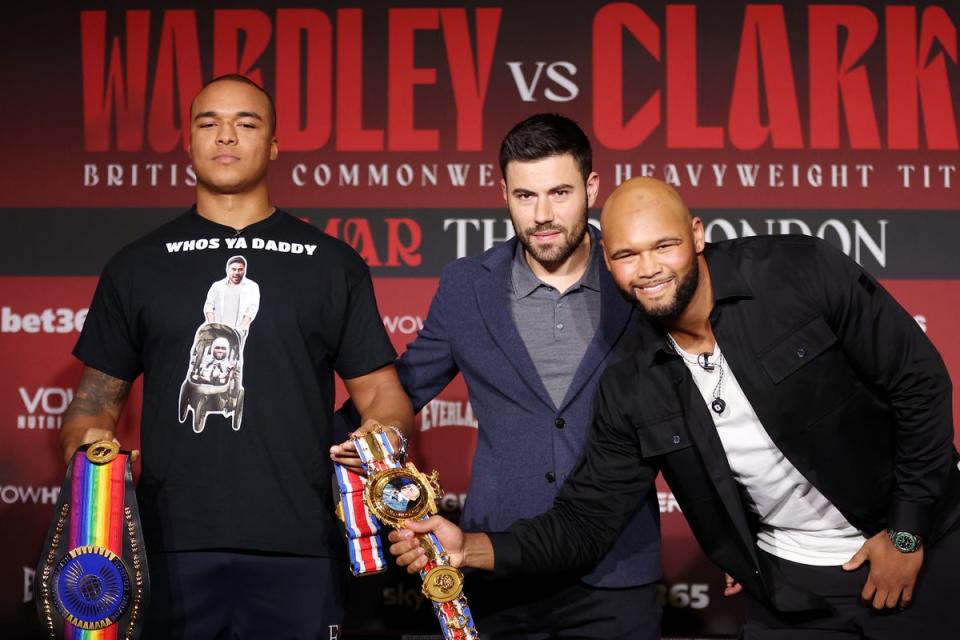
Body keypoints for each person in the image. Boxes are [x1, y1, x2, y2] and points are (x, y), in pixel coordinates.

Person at [390, 177, 960, 638]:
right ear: (606, 263)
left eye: (664, 246)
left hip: (918, 552)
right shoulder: (631, 382)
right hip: (790, 583)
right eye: (626, 255)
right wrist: (471, 547)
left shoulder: (799, 272)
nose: (649, 269)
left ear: (697, 234)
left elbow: (920, 384)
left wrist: (907, 533)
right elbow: (586, 520)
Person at [60, 74, 414, 639]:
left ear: (272, 145)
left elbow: (381, 394)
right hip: (166, 552)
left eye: (245, 123)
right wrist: (92, 461)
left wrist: (379, 443)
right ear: (189, 142)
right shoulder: (137, 266)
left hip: (300, 547)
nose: (226, 136)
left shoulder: (331, 264)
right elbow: (92, 404)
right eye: (209, 123)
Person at [333, 115, 662, 639]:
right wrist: (339, 439)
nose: (544, 215)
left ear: (592, 188)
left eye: (560, 192)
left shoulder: (637, 279)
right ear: (503, 193)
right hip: (497, 563)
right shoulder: (467, 286)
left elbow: (707, 413)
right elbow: (406, 385)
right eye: (526, 196)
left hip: (618, 566)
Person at [204, 254, 260, 332]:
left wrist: (239, 329)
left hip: (239, 332)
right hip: (218, 330)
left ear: (245, 270)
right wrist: (213, 326)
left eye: (240, 269)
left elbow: (252, 309)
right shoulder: (217, 286)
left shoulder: (252, 286)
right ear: (227, 269)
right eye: (233, 269)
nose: (237, 272)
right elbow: (209, 306)